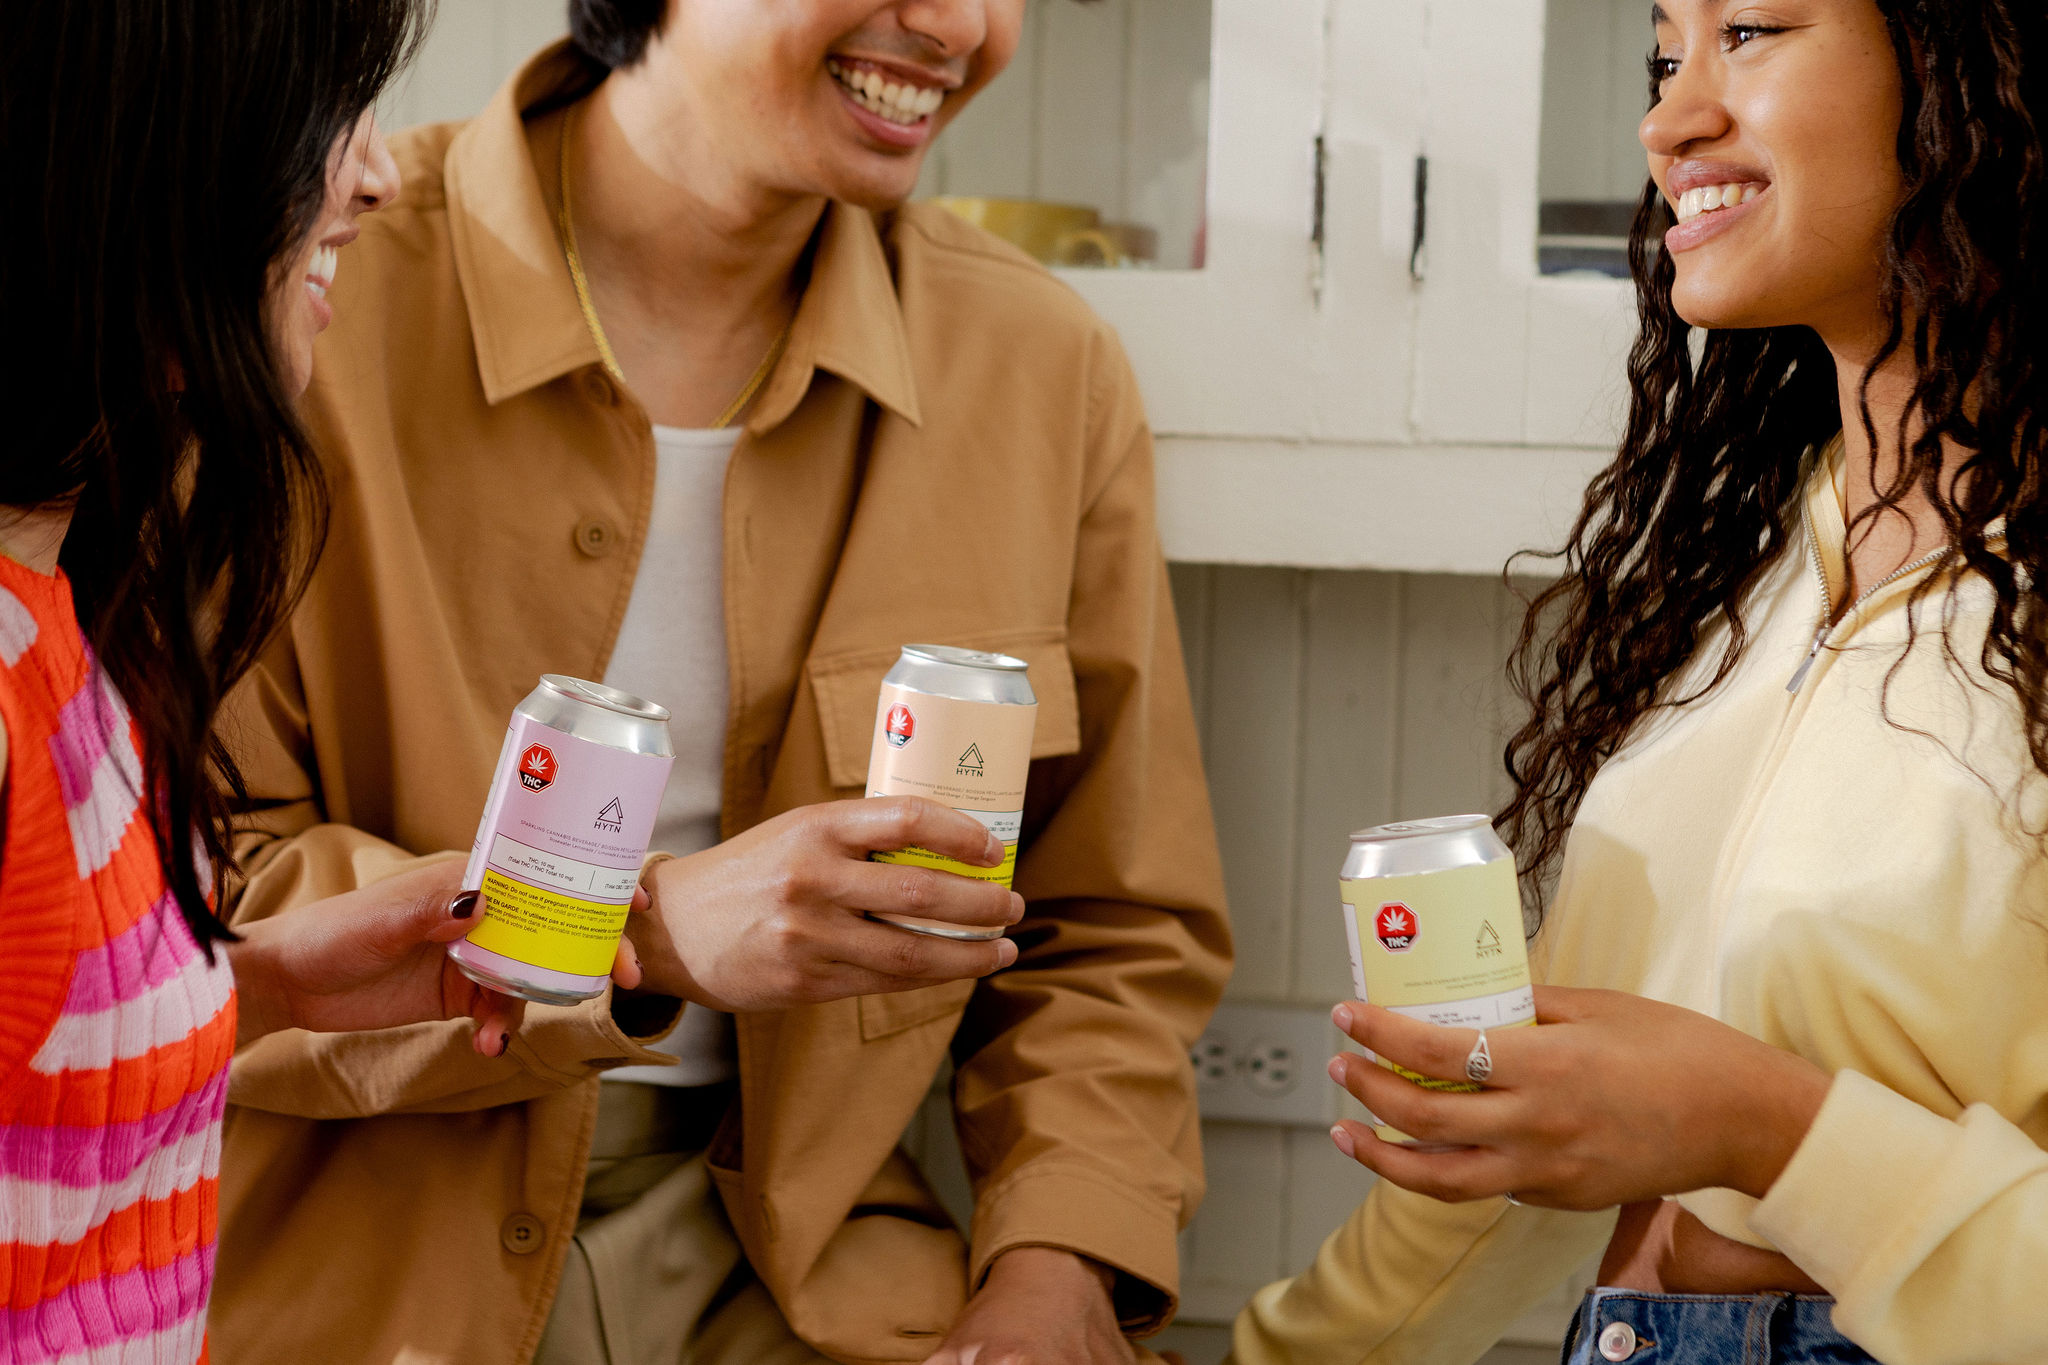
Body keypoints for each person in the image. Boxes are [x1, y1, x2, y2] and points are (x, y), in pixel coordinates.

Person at [210, 2, 1232, 1363]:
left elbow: (1109, 934)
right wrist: (648, 927)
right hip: (342, 1246)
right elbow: (192, 895)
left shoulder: (1042, 371)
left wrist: (1059, 1271)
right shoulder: (309, 297)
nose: (954, 26)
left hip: (808, 1275)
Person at [1233, 2, 2048, 1363]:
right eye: (1667, 56)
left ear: (1976, 75)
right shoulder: (1747, 569)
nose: (1668, 121)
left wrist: (1769, 1129)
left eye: (1754, 32)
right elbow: (1504, 1147)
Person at [0, 3, 664, 1362]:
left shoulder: (71, 610)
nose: (371, 175)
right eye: (325, 117)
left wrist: (265, 983)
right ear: (146, 161)